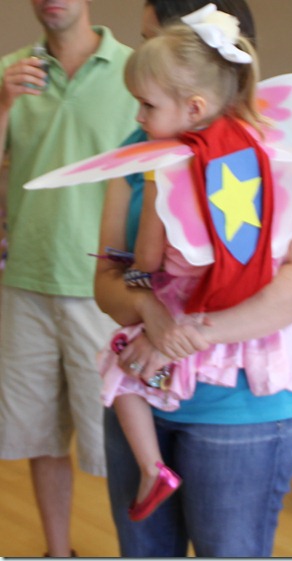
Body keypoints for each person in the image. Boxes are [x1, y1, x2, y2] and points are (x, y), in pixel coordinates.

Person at [96, 2, 292, 525]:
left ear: (193, 100)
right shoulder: (260, 153)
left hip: (240, 405)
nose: (139, 117)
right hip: (191, 354)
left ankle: (152, 469)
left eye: (146, 102)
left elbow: (144, 261)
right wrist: (148, 310)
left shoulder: (169, 168)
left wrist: (155, 306)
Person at [0, 0, 138, 557]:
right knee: (41, 436)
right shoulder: (9, 71)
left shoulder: (134, 70)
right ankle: (58, 552)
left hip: (105, 288)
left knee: (122, 442)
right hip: (25, 282)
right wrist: (4, 103)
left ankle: (141, 551)